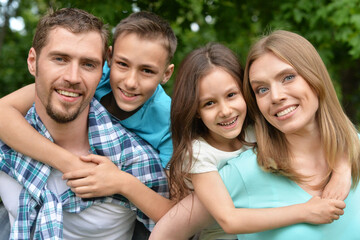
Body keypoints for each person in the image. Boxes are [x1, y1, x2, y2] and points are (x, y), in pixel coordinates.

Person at [0, 10, 177, 237]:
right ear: (110, 62)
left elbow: (180, 215)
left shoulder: (155, 142)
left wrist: (124, 183)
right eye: (60, 59)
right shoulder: (9, 142)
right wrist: (72, 164)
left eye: (88, 64)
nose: (73, 77)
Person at [149, 43, 349, 240]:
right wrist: (305, 211)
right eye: (209, 103)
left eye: (231, 95)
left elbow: (336, 130)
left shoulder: (256, 129)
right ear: (196, 112)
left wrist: (342, 169)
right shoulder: (199, 154)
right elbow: (229, 220)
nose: (225, 111)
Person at [217, 30, 360, 239]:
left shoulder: (353, 148)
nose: (276, 96)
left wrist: (343, 166)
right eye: (262, 89)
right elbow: (168, 228)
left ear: (315, 76)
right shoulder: (242, 173)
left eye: (288, 77)